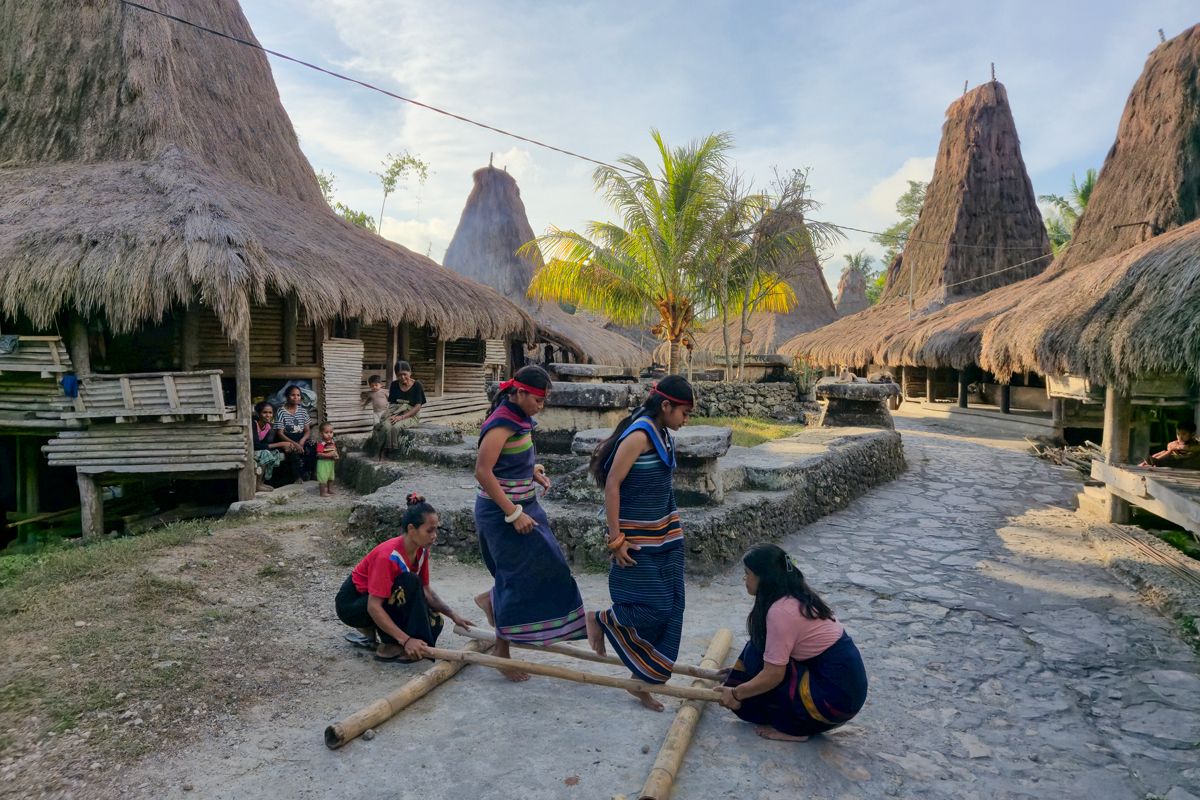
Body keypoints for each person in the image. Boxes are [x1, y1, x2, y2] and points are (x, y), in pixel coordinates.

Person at [472, 365, 597, 681]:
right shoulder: (501, 422)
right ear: (520, 393)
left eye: (544, 401)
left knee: (551, 565)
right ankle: (502, 653)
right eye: (538, 400)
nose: (541, 406)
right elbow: (483, 472)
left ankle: (491, 600)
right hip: (500, 514)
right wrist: (513, 514)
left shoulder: (521, 419)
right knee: (515, 577)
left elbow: (511, 460)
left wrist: (533, 472)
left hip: (527, 506)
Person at [587, 376, 694, 711]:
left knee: (674, 608)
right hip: (636, 542)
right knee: (655, 607)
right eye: (684, 413)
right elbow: (612, 485)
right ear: (666, 406)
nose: (686, 419)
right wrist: (615, 539)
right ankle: (604, 619)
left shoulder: (662, 433)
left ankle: (642, 680)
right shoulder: (638, 436)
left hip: (667, 536)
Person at [719, 544, 868, 741]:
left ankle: (796, 729)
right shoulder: (795, 595)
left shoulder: (781, 611)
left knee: (752, 695)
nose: (744, 578)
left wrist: (736, 693)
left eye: (747, 573)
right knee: (756, 650)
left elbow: (774, 675)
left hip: (832, 701)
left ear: (764, 577)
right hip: (845, 691)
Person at [336, 493, 474, 662]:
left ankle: (396, 640)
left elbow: (425, 591)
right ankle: (388, 644)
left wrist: (453, 615)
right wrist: (406, 640)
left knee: (434, 621)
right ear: (411, 529)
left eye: (436, 529)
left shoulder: (421, 550)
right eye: (429, 530)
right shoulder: (388, 557)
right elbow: (374, 606)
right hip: (353, 605)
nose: (434, 535)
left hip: (381, 597)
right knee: (408, 582)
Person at [366, 361, 428, 457]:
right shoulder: (394, 384)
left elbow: (418, 406)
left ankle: (392, 450)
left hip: (410, 415)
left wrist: (402, 417)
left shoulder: (417, 385)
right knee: (385, 426)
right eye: (399, 375)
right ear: (396, 375)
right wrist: (392, 415)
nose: (402, 377)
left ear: (410, 373)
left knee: (395, 427)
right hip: (395, 412)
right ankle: (381, 450)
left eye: (405, 374)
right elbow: (392, 403)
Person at [251, 401, 300, 491]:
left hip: (259, 451)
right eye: (265, 412)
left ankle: (262, 482)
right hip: (249, 451)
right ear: (258, 413)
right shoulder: (253, 424)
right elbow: (256, 445)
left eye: (270, 413)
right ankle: (257, 485)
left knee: (274, 453)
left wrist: (284, 445)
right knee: (265, 453)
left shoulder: (269, 426)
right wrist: (281, 444)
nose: (268, 415)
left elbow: (266, 444)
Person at [274, 385, 313, 482]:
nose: (296, 397)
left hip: (301, 437)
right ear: (287, 396)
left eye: (298, 395)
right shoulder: (281, 411)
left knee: (312, 447)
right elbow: (280, 433)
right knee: (292, 449)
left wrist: (302, 441)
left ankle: (309, 474)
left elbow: (307, 431)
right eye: (293, 395)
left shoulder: (303, 411)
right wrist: (295, 444)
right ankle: (297, 477)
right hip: (287, 438)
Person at [315, 422, 340, 497]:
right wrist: (328, 455)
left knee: (331, 477)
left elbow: (334, 450)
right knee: (323, 478)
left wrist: (336, 455)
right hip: (323, 463)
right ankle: (322, 492)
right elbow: (319, 454)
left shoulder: (332, 441)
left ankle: (330, 489)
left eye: (331, 432)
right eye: (326, 432)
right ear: (321, 433)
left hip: (330, 462)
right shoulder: (321, 443)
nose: (329, 434)